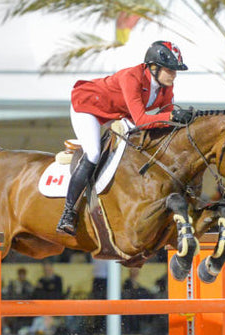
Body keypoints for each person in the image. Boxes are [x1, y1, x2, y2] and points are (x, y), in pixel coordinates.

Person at [56, 40, 190, 235]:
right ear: (153, 67)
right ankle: (68, 212)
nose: (174, 74)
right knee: (93, 153)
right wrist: (171, 117)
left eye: (175, 70)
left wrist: (183, 120)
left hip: (118, 114)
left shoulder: (165, 86)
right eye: (170, 70)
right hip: (88, 107)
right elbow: (143, 119)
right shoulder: (131, 77)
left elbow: (166, 118)